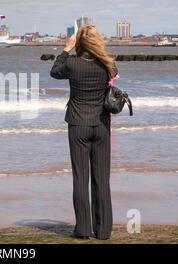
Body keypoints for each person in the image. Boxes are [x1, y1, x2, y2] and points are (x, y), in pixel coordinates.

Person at [50, 24, 118, 240]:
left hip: (78, 125)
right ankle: (103, 230)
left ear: (79, 43)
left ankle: (83, 230)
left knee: (81, 179)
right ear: (98, 43)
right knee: (102, 179)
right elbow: (113, 75)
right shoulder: (108, 65)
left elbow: (54, 72)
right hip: (101, 126)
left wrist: (66, 49)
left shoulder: (72, 64)